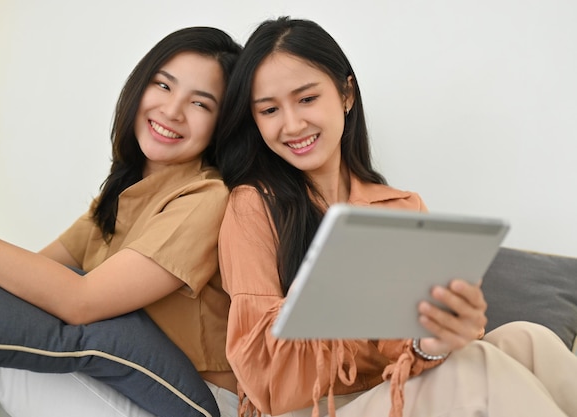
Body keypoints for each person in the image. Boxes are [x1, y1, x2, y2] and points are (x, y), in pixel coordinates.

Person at [214, 16, 577, 417]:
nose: (292, 124)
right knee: (474, 370)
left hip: (396, 390)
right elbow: (265, 375)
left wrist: (441, 334)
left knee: (529, 339)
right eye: (269, 110)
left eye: (307, 98)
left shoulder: (401, 208)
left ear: (346, 94)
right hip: (314, 408)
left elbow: (429, 346)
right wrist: (378, 321)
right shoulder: (253, 205)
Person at [0, 26, 241, 417]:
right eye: (164, 85)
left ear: (221, 126)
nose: (172, 111)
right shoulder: (121, 197)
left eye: (201, 104)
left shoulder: (206, 198)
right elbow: (28, 284)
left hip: (190, 402)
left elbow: (79, 301)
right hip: (125, 385)